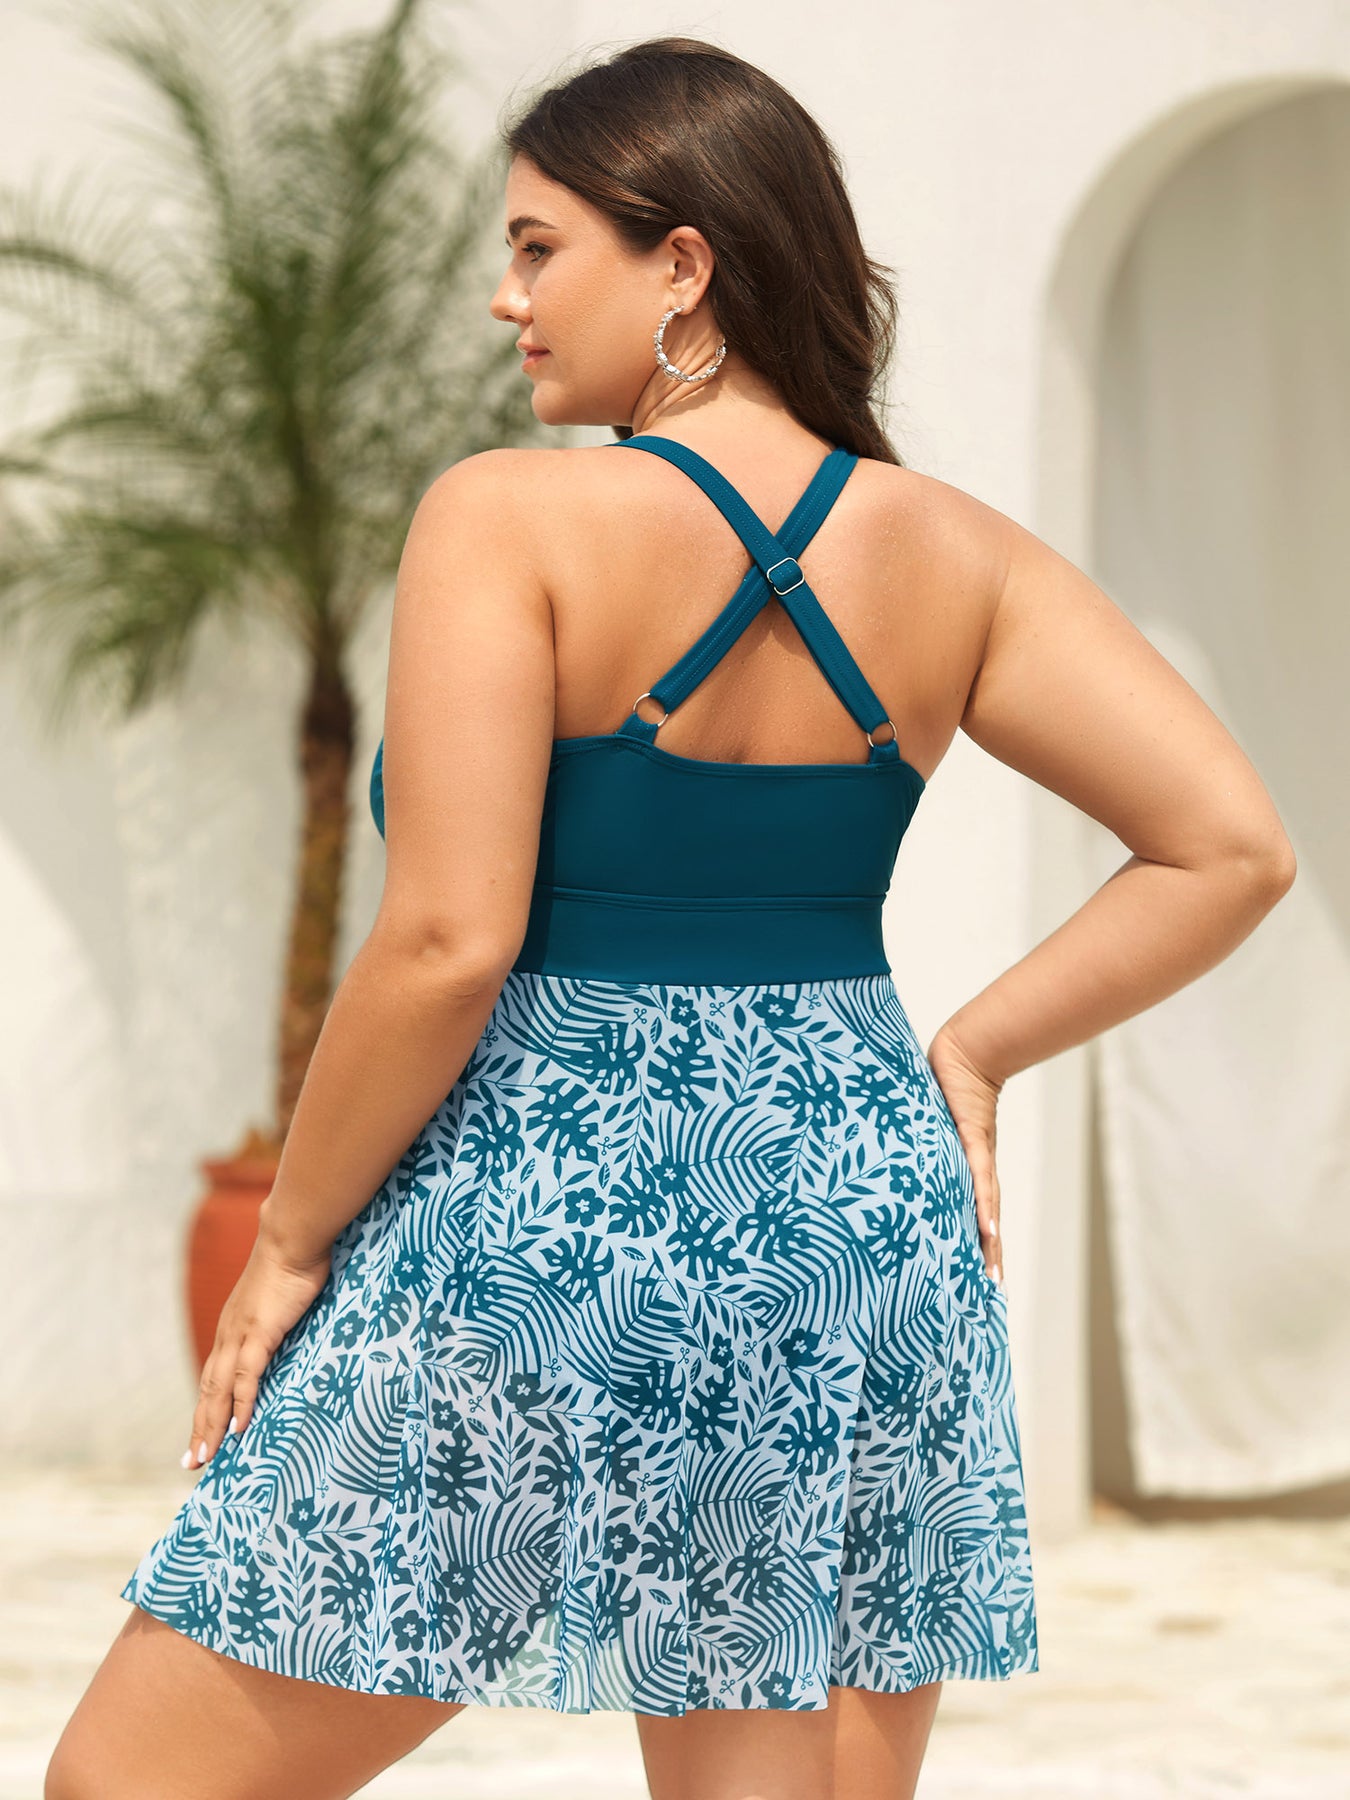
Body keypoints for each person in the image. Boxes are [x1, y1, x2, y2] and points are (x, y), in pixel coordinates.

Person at [45, 33, 1296, 1800]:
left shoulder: (508, 519)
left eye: (538, 247)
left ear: (683, 265)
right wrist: (970, 1052)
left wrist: (291, 1242)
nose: (506, 298)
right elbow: (1230, 848)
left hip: (545, 1218)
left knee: (128, 1783)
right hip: (851, 1219)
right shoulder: (956, 553)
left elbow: (445, 943)